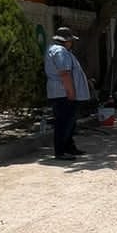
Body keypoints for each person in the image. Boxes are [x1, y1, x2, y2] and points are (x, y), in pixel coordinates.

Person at [45, 26, 91, 160]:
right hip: (63, 93)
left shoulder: (59, 50)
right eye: (71, 40)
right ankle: (61, 151)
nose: (72, 43)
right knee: (64, 123)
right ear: (66, 40)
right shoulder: (60, 52)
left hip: (62, 92)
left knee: (70, 122)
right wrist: (70, 92)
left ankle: (69, 147)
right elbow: (64, 73)